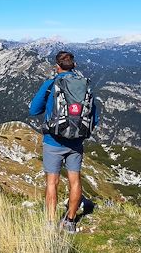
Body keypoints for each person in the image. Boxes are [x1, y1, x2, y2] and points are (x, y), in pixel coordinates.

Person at [29, 51, 98, 233]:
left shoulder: (51, 84)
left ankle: (51, 224)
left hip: (53, 141)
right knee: (74, 180)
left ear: (56, 66)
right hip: (76, 143)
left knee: (52, 182)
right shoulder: (85, 85)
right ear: (74, 65)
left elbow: (33, 110)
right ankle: (70, 221)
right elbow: (94, 118)